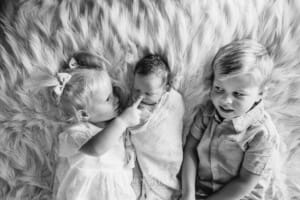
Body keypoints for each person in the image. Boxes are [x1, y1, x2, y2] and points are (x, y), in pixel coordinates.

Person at [181, 39, 279, 200]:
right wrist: (188, 193)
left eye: (238, 94)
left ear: (260, 93)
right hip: (200, 189)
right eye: (218, 89)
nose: (225, 100)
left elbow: (245, 182)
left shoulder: (261, 133)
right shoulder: (207, 112)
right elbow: (190, 149)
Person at [50, 52, 144, 200]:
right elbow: (96, 148)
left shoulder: (117, 130)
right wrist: (123, 121)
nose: (116, 99)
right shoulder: (75, 133)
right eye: (108, 98)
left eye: (112, 92)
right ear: (84, 115)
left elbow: (129, 159)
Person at [129, 54, 185, 200]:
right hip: (146, 157)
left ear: (165, 88)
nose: (140, 97)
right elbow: (130, 130)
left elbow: (175, 115)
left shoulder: (172, 101)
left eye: (148, 93)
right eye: (136, 90)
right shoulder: (134, 110)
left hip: (166, 156)